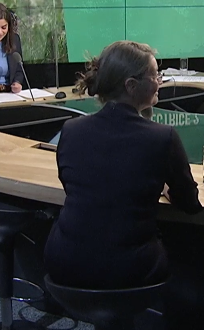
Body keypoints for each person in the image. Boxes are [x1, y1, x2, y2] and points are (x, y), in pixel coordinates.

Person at [44, 40, 202, 291]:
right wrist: (165, 189)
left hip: (63, 261)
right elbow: (191, 204)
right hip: (131, 270)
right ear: (131, 85)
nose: (159, 81)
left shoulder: (71, 130)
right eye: (155, 75)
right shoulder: (163, 137)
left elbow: (71, 184)